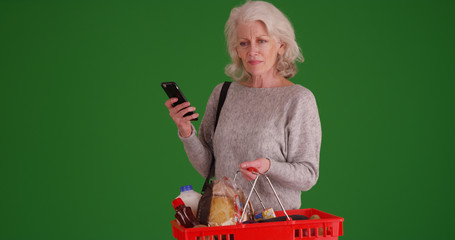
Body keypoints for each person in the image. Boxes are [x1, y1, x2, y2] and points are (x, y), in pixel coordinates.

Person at [164, 1, 321, 212]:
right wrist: (186, 131)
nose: (252, 51)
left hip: (273, 226)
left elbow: (308, 175)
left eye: (262, 41)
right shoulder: (223, 93)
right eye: (244, 43)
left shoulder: (298, 99)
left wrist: (268, 166)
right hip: (224, 223)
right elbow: (209, 168)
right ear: (236, 49)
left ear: (281, 46)